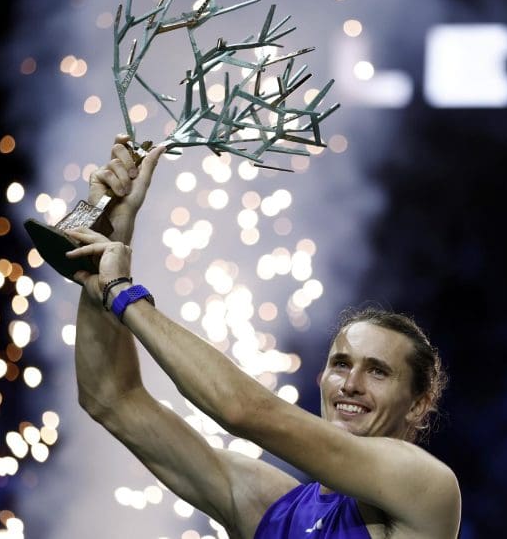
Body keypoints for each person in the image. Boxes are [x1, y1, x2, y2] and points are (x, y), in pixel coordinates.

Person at [62, 135, 462, 538]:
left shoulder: (426, 489)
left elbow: (243, 410)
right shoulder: (269, 505)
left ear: (418, 403)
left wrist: (123, 294)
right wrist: (114, 233)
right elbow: (111, 397)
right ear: (321, 378)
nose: (351, 385)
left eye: (378, 371)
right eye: (341, 364)